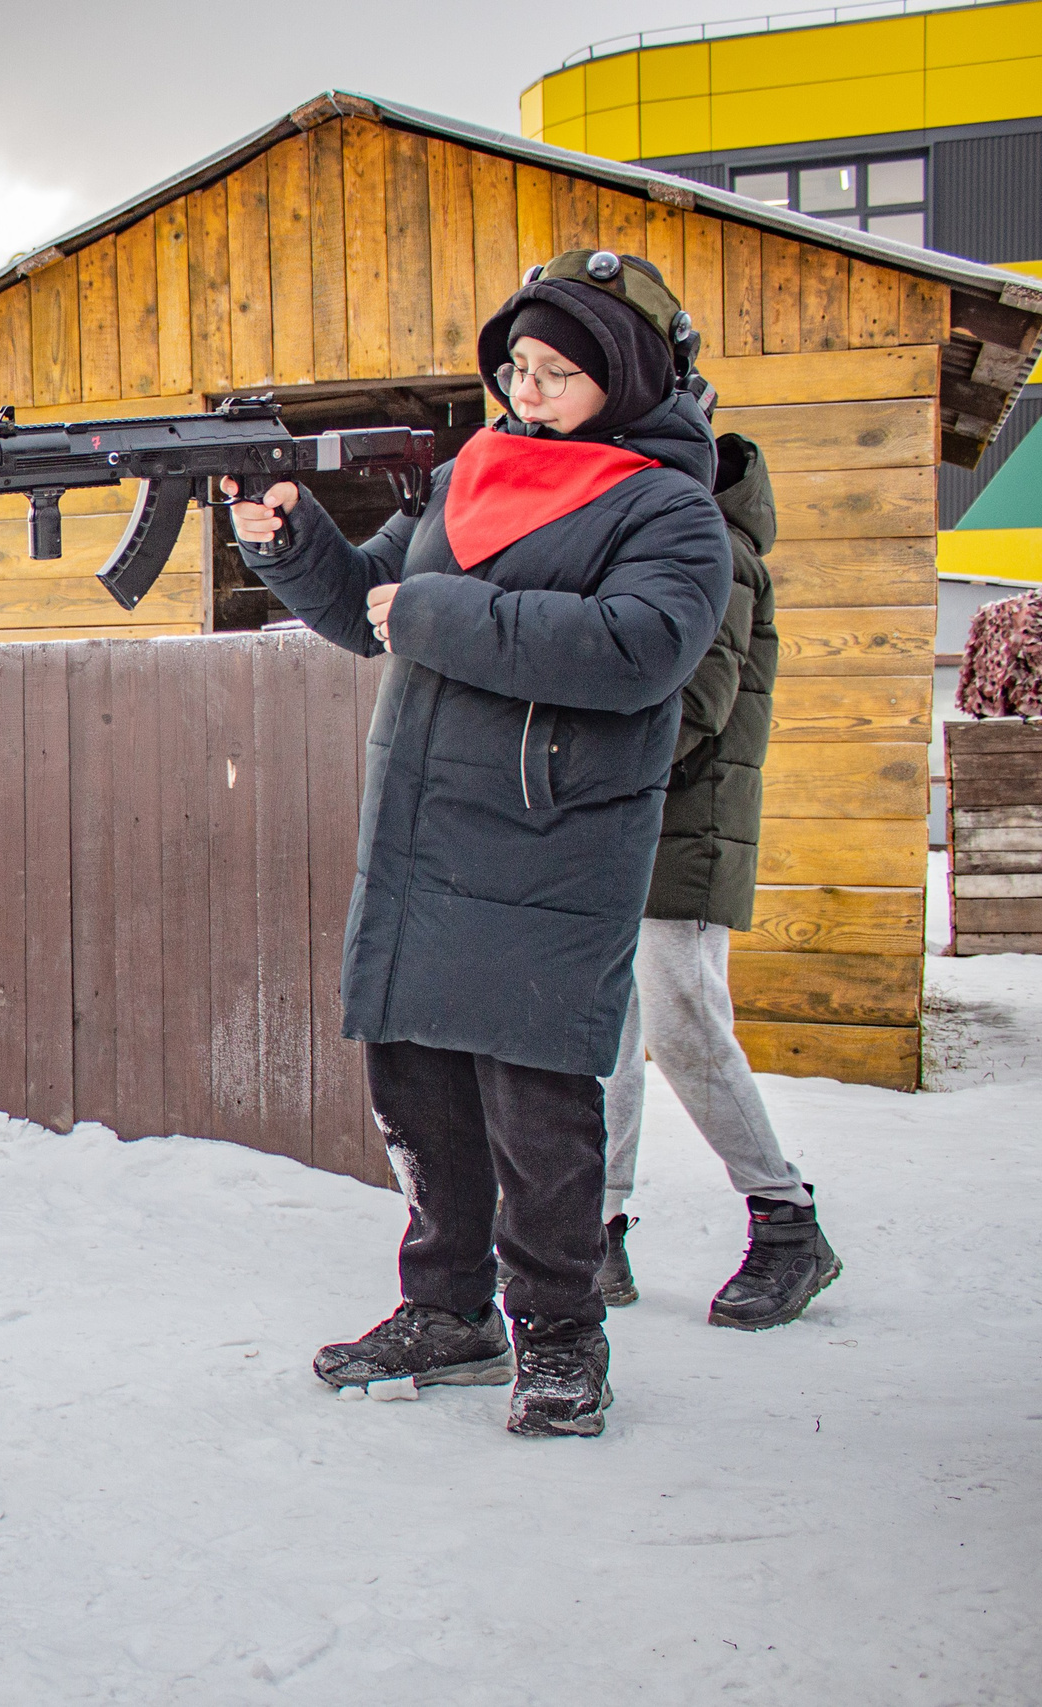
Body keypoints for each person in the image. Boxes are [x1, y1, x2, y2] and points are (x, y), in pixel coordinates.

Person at [227, 252, 731, 1437]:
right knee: (417, 1086)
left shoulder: (667, 506)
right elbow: (369, 610)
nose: (532, 390)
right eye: (518, 369)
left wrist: (442, 613)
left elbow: (640, 649)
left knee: (536, 1105)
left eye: (560, 373)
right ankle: (446, 1310)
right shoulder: (471, 479)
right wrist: (290, 539)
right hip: (423, 828)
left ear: (625, 378)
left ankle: (559, 1338)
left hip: (552, 841)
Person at [598, 431, 841, 1329]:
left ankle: (787, 1224)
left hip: (689, 830)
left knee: (684, 1022)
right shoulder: (673, 544)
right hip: (633, 824)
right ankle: (599, 1229)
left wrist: (584, 752)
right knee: (610, 1033)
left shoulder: (721, 554)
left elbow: (695, 703)